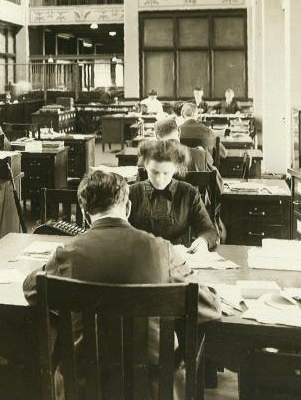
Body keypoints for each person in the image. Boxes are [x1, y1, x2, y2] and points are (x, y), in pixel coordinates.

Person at [23, 170, 221, 399]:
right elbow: (209, 306)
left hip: (84, 386)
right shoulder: (162, 250)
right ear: (128, 208)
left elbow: (32, 288)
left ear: (86, 216)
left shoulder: (67, 254)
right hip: (154, 387)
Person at [129, 137, 218, 251]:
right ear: (145, 166)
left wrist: (203, 241)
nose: (159, 179)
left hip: (179, 258)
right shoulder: (131, 192)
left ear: (175, 168)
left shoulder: (189, 193)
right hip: (141, 256)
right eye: (154, 172)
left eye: (166, 173)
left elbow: (208, 230)